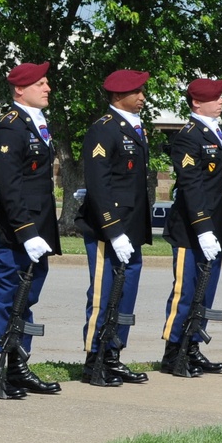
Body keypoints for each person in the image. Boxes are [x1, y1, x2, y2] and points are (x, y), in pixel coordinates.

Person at [0, 62, 62, 399]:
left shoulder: (37, 124)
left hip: (38, 226)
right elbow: (9, 187)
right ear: (19, 90)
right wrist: (26, 231)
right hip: (16, 228)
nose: (47, 88)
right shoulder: (10, 128)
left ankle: (17, 364)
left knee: (28, 296)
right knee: (4, 294)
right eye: (40, 83)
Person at [76, 69, 152, 387]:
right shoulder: (103, 130)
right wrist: (113, 229)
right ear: (119, 95)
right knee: (104, 294)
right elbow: (99, 184)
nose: (143, 97)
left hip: (132, 227)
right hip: (109, 229)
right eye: (137, 92)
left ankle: (114, 355)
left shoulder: (135, 128)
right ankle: (94, 359)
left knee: (126, 294)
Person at [159, 78, 222, 377]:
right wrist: (202, 228)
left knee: (206, 290)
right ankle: (174, 352)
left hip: (214, 223)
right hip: (191, 228)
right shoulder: (188, 136)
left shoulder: (215, 131)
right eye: (216, 97)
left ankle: (193, 346)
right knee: (186, 292)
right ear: (197, 103)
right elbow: (191, 185)